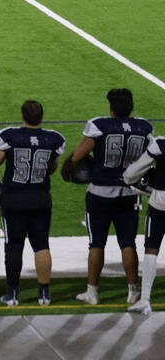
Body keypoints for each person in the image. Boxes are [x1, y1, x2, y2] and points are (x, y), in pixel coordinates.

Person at [61, 88, 153, 306]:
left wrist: (66, 171)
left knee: (96, 244)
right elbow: (151, 157)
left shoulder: (99, 125)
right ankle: (133, 290)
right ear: (131, 107)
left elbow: (77, 155)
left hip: (100, 193)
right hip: (129, 193)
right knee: (128, 243)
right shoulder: (143, 128)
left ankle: (92, 291)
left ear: (111, 108)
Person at [0, 100, 67, 307]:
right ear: (41, 116)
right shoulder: (53, 139)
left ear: (23, 115)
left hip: (14, 199)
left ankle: (13, 294)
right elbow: (51, 168)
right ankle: (44, 295)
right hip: (40, 198)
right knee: (41, 245)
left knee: (14, 246)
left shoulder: (10, 136)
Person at [124, 126, 165, 313]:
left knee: (151, 249)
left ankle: (145, 299)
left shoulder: (160, 144)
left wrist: (132, 180)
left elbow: (133, 172)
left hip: (160, 203)